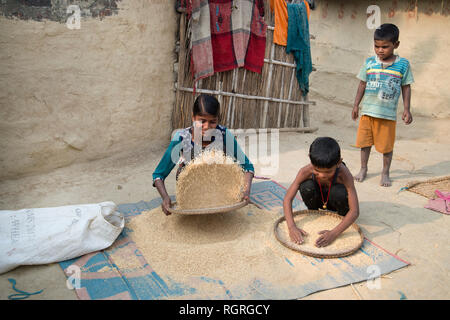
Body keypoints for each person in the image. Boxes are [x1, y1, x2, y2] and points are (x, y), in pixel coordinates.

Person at [152, 94, 255, 215]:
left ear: (218, 119)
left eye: (213, 122)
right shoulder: (181, 138)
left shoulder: (223, 135)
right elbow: (158, 175)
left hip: (219, 189)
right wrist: (165, 198)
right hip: (190, 190)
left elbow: (248, 167)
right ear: (193, 118)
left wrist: (246, 190)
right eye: (202, 121)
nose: (207, 127)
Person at [352, 23, 414, 187]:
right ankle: (363, 168)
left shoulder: (403, 64)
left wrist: (406, 109)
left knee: (386, 147)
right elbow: (362, 84)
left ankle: (385, 173)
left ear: (396, 45)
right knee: (364, 144)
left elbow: (406, 87)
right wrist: (356, 105)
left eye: (385, 47)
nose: (380, 50)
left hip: (387, 115)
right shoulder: (369, 62)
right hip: (367, 112)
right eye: (377, 46)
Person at [283, 137, 359, 247]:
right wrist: (291, 227)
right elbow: (287, 199)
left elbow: (354, 211)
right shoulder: (305, 171)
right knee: (306, 186)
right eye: (317, 170)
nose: (323, 175)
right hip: (319, 200)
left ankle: (342, 219)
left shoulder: (344, 175)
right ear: (310, 159)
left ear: (339, 162)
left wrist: (334, 233)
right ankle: (313, 212)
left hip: (335, 203)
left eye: (328, 171)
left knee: (339, 192)